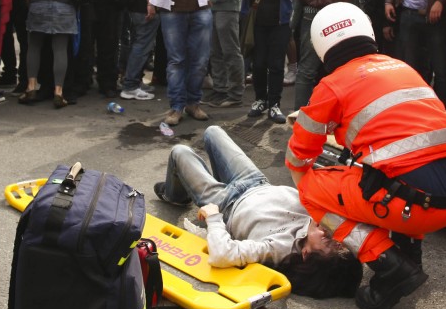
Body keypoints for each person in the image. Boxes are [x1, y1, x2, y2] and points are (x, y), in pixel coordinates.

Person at [286, 3, 446, 309]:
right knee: (395, 170)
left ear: (322, 46)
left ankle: (390, 264)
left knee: (311, 187)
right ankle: (409, 254)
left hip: (415, 207)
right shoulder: (401, 67)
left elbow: (298, 156)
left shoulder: (331, 85)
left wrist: (318, 208)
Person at [154, 125, 362, 298]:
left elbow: (223, 255)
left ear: (306, 254)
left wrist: (214, 217)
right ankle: (188, 183)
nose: (329, 232)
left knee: (179, 151)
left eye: (326, 241)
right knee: (212, 132)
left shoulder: (278, 250)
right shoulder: (327, 223)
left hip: (225, 203)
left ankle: (176, 195)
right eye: (337, 240)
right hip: (255, 181)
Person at [236, 0, 292, 123]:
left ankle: (274, 104)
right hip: (256, 25)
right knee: (258, 64)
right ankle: (260, 100)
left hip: (279, 23)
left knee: (276, 65)